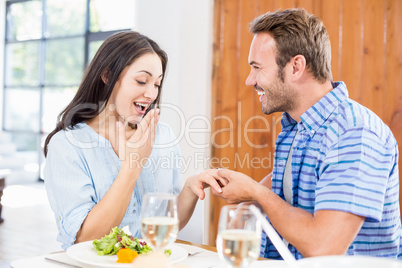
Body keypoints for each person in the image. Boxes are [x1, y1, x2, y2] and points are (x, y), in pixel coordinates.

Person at [213, 8, 401, 260]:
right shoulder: (298, 128)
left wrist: (257, 194)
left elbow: (324, 248)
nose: (250, 80)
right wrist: (249, 198)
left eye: (257, 67)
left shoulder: (356, 133)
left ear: (296, 67)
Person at [43, 31, 225, 249]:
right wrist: (131, 168)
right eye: (141, 81)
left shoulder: (162, 135)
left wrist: (191, 188)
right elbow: (85, 238)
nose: (151, 94)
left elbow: (164, 225)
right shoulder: (67, 145)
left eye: (157, 84)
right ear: (108, 76)